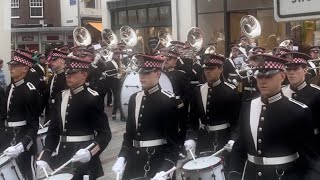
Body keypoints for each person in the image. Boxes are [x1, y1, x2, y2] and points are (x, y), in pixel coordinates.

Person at [229, 54, 319, 180]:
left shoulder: (298, 111)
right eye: (259, 76)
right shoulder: (248, 106)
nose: (263, 81)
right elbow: (239, 147)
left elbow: (311, 160)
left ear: (282, 76)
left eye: (269, 76)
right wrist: (234, 173)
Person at [36, 56, 112, 179]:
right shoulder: (61, 97)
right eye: (67, 73)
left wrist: (90, 151)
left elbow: (105, 133)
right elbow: (54, 130)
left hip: (83, 156)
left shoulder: (92, 98)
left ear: (84, 75)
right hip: (63, 155)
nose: (68, 76)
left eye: (73, 73)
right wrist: (46, 153)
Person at [112, 54, 179, 180]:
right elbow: (129, 135)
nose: (142, 76)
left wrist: (165, 170)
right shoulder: (134, 98)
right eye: (140, 72)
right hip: (134, 162)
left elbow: (173, 145)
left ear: (158, 74)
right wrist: (122, 157)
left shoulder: (167, 100)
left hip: (157, 162)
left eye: (147, 73)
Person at [184, 53, 241, 175]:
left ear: (220, 69)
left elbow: (237, 121)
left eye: (211, 69)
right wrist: (191, 137)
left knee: (222, 173)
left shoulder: (230, 91)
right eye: (205, 68)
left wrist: (233, 139)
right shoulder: (198, 90)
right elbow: (192, 119)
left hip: (223, 140)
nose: (207, 72)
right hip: (204, 139)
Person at [0, 50, 41, 179]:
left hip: (22, 139)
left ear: (25, 68)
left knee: (27, 174)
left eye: (15, 65)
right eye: (11, 65)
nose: (11, 68)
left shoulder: (30, 91)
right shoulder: (10, 88)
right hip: (8, 138)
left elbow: (33, 125)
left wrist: (22, 145)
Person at [281, 52, 320, 152]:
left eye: (295, 68)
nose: (291, 72)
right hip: (286, 148)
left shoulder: (316, 93)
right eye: (288, 69)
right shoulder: (281, 93)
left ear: (305, 70)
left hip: (311, 147)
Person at [161, 48, 191, 158]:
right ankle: (170, 147)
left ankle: (181, 148)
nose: (166, 61)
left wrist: (182, 102)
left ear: (175, 61)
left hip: (179, 106)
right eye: (166, 59)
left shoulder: (180, 74)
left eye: (169, 59)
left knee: (180, 127)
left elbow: (188, 93)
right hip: (165, 105)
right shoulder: (161, 74)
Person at [42, 49, 68, 121]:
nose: (52, 62)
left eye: (55, 60)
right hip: (51, 110)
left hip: (61, 109)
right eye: (52, 60)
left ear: (63, 61)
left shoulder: (66, 77)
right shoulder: (54, 76)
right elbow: (47, 93)